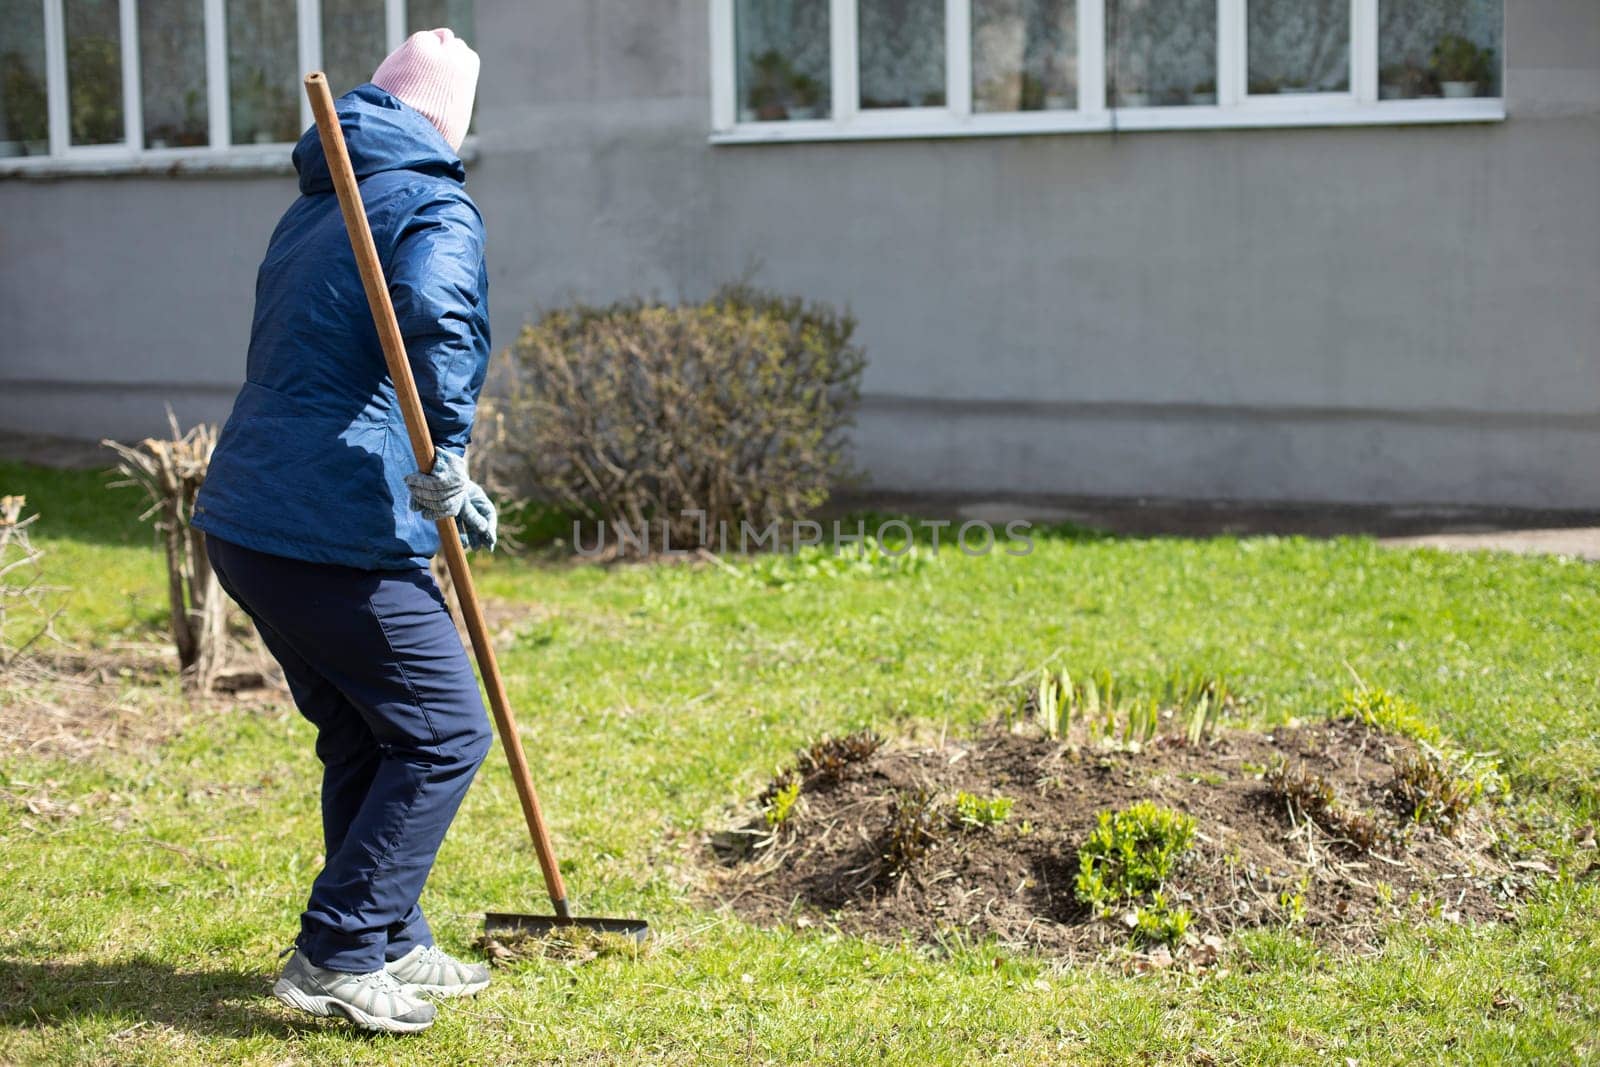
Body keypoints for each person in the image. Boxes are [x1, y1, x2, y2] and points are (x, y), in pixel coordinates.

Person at [193, 28, 496, 1034]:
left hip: (251, 515)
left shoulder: (316, 207)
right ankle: (337, 947)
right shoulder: (431, 201)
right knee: (447, 730)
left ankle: (391, 935)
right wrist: (446, 454)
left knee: (370, 731)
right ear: (448, 120)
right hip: (328, 523)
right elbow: (438, 321)